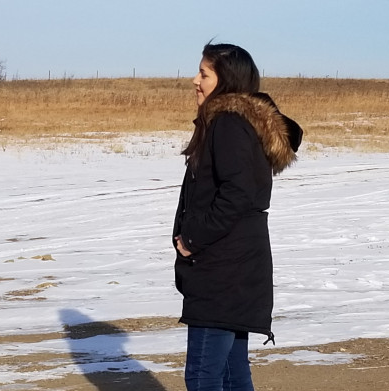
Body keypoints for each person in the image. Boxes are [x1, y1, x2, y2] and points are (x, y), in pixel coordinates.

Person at [172, 43, 303, 391]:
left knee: (203, 376)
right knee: (231, 373)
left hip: (222, 273)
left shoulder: (228, 124)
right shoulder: (236, 123)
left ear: (225, 81)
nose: (194, 80)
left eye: (204, 74)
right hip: (237, 268)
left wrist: (191, 238)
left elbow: (238, 193)